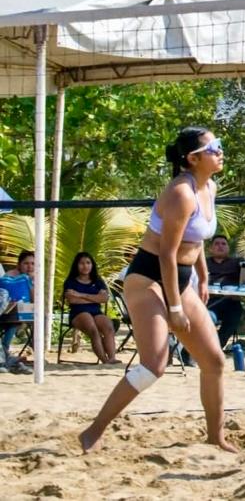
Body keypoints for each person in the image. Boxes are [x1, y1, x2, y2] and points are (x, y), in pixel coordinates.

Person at [79, 127, 236, 453]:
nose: (221, 151)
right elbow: (166, 254)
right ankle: (93, 431)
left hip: (180, 279)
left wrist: (203, 276)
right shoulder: (181, 193)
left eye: (220, 145)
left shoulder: (210, 187)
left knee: (214, 361)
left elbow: (197, 239)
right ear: (193, 159)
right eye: (214, 147)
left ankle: (215, 437)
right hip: (148, 278)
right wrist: (175, 309)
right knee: (154, 366)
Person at [62, 251, 119, 364]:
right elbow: (72, 300)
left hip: (96, 312)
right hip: (78, 313)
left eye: (88, 263)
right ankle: (104, 360)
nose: (85, 266)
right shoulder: (70, 282)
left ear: (92, 265)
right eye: (82, 263)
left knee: (108, 326)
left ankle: (112, 358)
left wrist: (80, 295)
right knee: (93, 329)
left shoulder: (98, 281)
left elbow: (104, 299)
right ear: (76, 265)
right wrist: (94, 298)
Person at [204, 234, 243, 350]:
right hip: (209, 301)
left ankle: (216, 348)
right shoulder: (203, 263)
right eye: (216, 244)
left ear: (228, 248)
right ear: (210, 248)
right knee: (208, 318)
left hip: (230, 302)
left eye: (223, 244)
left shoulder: (237, 263)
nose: (220, 246)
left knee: (235, 314)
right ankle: (187, 352)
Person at [0, 250, 35, 372]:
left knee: (19, 316)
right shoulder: (8, 277)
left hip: (23, 311)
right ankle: (6, 355)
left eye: (33, 263)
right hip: (7, 311)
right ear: (19, 264)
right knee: (16, 317)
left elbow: (35, 300)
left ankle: (6, 354)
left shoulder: (31, 278)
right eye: (26, 263)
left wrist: (33, 282)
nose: (30, 266)